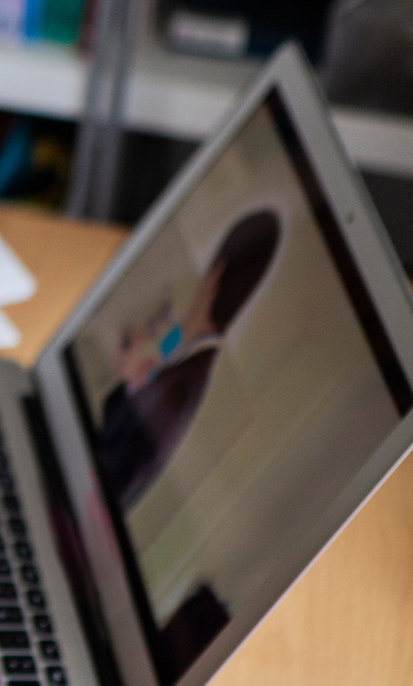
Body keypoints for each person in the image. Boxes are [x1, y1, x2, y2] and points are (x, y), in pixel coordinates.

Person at [94, 208, 283, 509]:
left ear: (214, 277)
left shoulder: (189, 376)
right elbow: (156, 359)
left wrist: (125, 382)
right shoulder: (187, 350)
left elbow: (123, 467)